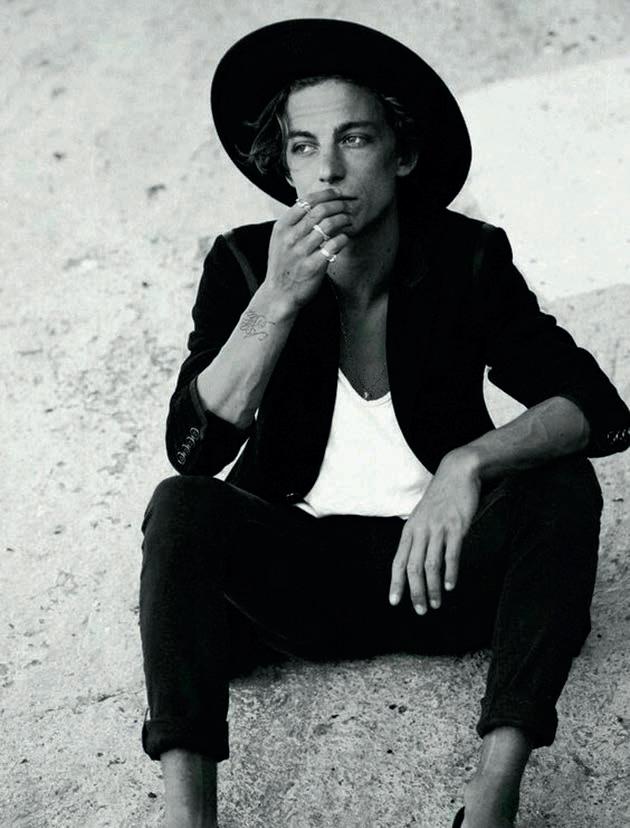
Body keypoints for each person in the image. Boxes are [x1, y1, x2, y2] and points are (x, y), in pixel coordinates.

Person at [138, 19, 630, 828]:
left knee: (563, 487)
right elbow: (194, 451)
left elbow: (596, 408)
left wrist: (468, 464)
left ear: (402, 154)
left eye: (355, 138)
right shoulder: (242, 263)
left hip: (442, 575)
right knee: (180, 508)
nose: (327, 170)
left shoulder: (468, 258)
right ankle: (186, 819)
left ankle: (492, 799)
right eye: (303, 146)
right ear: (284, 163)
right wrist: (275, 300)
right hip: (295, 587)